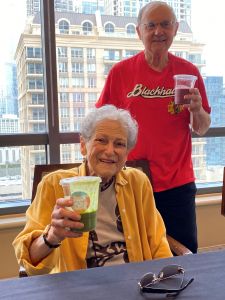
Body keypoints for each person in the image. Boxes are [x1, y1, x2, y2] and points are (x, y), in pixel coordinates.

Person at [96, 1, 211, 253]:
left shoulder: (188, 72)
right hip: (132, 183)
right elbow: (101, 123)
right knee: (136, 253)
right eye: (151, 25)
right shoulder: (121, 72)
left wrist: (197, 109)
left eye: (165, 24)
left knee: (184, 256)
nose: (158, 31)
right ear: (139, 31)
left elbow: (201, 127)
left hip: (177, 184)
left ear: (175, 29)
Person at [13, 105, 172, 276]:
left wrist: (165, 282)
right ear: (83, 145)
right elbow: (28, 259)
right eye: (101, 140)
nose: (110, 151)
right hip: (80, 286)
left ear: (127, 153)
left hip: (135, 281)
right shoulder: (54, 185)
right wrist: (52, 236)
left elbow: (158, 244)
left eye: (119, 144)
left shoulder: (137, 182)